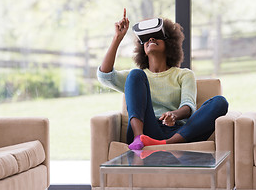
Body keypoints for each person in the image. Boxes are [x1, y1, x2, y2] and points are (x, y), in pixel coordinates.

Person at [97, 8, 228, 150]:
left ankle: (168, 144)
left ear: (170, 43)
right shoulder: (137, 78)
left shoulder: (184, 74)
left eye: (157, 36)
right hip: (146, 129)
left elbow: (188, 106)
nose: (151, 39)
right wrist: (117, 38)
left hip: (176, 132)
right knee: (135, 74)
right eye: (146, 38)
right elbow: (105, 76)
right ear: (143, 49)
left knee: (220, 102)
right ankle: (138, 138)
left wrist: (174, 115)